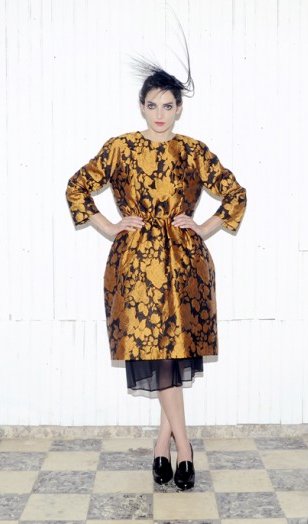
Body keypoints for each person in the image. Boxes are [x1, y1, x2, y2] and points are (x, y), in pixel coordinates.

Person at [66, 62, 247, 490]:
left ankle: (166, 446)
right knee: (160, 354)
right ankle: (183, 447)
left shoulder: (194, 151)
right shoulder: (120, 148)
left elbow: (235, 194)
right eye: (152, 105)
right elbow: (77, 186)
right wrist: (110, 226)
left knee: (171, 354)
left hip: (185, 265)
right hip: (135, 267)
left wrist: (203, 228)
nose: (160, 114)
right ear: (141, 107)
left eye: (168, 105)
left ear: (179, 108)